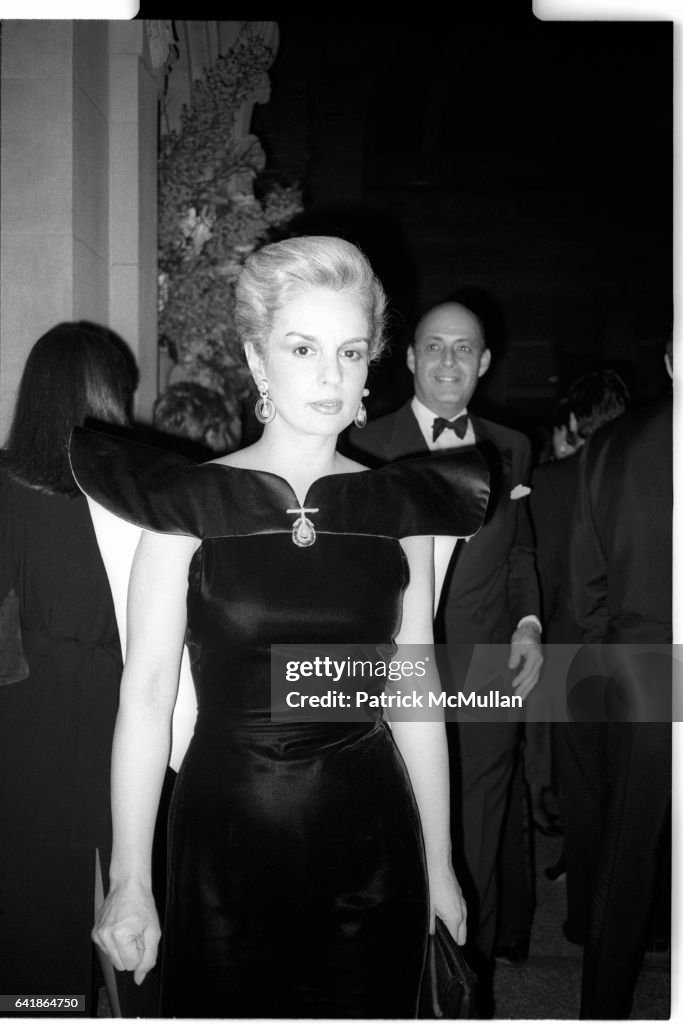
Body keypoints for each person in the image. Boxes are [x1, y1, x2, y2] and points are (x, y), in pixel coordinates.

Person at [72, 237, 490, 1018]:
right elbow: (148, 692)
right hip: (223, 836)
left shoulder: (406, 508)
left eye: (351, 351)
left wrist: (439, 860)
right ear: (259, 361)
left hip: (371, 837)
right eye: (303, 348)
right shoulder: (186, 506)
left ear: (372, 367)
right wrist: (130, 876)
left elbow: (415, 694)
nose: (330, 375)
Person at [347, 299, 542, 1005]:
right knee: (396, 828)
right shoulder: (364, 443)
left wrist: (527, 623)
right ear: (408, 357)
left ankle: (468, 988)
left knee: (481, 832)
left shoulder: (512, 445)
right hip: (394, 674)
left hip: (486, 669)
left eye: (464, 349)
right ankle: (399, 985)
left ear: (484, 362)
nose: (449, 361)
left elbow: (519, 550)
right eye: (434, 347)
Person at [0, 321, 137, 1015]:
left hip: (30, 709)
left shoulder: (8, 486)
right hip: (122, 696)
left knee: (38, 882)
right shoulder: (136, 489)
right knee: (124, 869)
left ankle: (41, 1005)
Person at [567, 343, 672, 1018]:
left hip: (641, 673)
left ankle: (602, 1007)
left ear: (666, 359)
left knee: (624, 858)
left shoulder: (608, 447)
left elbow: (585, 595)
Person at [527, 369, 630, 873]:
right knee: (632, 780)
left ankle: (588, 908)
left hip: (570, 643)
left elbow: (544, 574)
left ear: (572, 421)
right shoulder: (650, 474)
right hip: (640, 643)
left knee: (583, 782)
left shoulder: (552, 480)